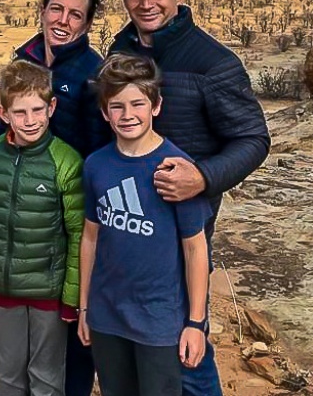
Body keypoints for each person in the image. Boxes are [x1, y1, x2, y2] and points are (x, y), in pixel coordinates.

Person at [108, 0, 271, 395]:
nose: (147, 3)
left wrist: (201, 178)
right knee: (133, 342)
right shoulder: (120, 51)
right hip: (125, 225)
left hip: (182, 231)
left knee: (186, 345)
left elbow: (253, 140)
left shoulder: (211, 61)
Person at [0, 0, 109, 396]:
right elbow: (1, 129)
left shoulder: (91, 73)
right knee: (13, 360)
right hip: (21, 218)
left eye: (75, 14)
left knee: (67, 341)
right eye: (57, 9)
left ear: (86, 24)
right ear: (43, 9)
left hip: (68, 211)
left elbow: (101, 149)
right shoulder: (26, 57)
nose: (63, 20)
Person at [78, 53, 212, 396]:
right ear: (105, 112)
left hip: (158, 322)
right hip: (107, 316)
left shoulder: (177, 171)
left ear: (155, 106)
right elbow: (90, 238)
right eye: (117, 106)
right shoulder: (96, 166)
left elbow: (195, 248)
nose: (127, 115)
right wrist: (85, 308)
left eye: (137, 103)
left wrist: (195, 323)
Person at [0, 59, 85, 396]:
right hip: (1, 289)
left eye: (37, 110)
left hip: (48, 291)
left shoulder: (66, 162)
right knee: (5, 373)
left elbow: (78, 234)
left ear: (52, 107)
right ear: (3, 113)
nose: (30, 121)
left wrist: (72, 296)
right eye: (20, 113)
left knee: (46, 376)